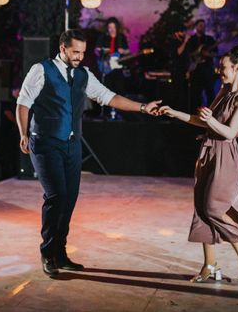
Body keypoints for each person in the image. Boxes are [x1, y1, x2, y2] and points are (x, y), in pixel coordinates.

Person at [16, 29, 161, 277]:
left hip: (72, 144)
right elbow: (23, 102)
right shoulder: (41, 70)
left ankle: (60, 253)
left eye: (83, 52)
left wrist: (143, 108)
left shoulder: (83, 74)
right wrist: (23, 133)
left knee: (69, 197)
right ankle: (48, 253)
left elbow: (108, 97)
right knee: (56, 196)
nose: (79, 57)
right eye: (75, 52)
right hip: (45, 143)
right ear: (62, 48)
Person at [159, 44, 238, 282]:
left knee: (213, 208)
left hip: (225, 157)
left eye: (224, 67)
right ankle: (210, 265)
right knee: (201, 210)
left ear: (237, 68)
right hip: (208, 153)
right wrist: (175, 113)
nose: (220, 71)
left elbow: (230, 132)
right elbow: (204, 122)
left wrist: (210, 121)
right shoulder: (224, 92)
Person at [177, 19, 216, 111]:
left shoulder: (209, 39)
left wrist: (208, 54)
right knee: (195, 94)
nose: (203, 27)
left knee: (210, 92)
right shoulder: (191, 40)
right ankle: (195, 115)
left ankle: (213, 113)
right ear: (196, 27)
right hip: (195, 71)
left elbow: (215, 53)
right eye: (200, 25)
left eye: (204, 25)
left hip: (207, 70)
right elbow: (187, 55)